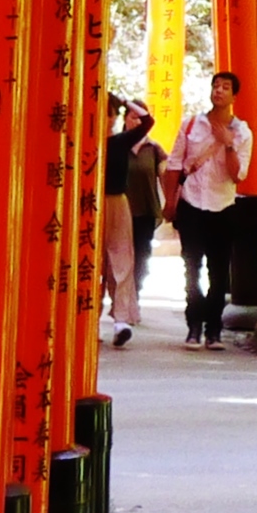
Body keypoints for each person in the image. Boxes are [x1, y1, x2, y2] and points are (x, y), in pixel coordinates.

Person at [170, 68, 254, 344]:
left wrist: (228, 145)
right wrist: (170, 201)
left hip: (223, 206)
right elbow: (174, 165)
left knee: (218, 271)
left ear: (234, 95)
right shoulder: (191, 125)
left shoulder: (242, 133)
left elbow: (237, 176)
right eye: (216, 85)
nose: (218, 90)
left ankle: (213, 329)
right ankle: (194, 324)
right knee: (190, 267)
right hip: (192, 203)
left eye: (225, 87)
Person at [100, 97, 163, 348]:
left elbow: (148, 121)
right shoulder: (82, 143)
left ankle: (121, 321)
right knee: (92, 266)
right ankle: (89, 320)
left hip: (117, 203)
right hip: (88, 204)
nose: (109, 118)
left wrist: (125, 101)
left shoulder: (119, 142)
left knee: (122, 261)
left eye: (111, 114)